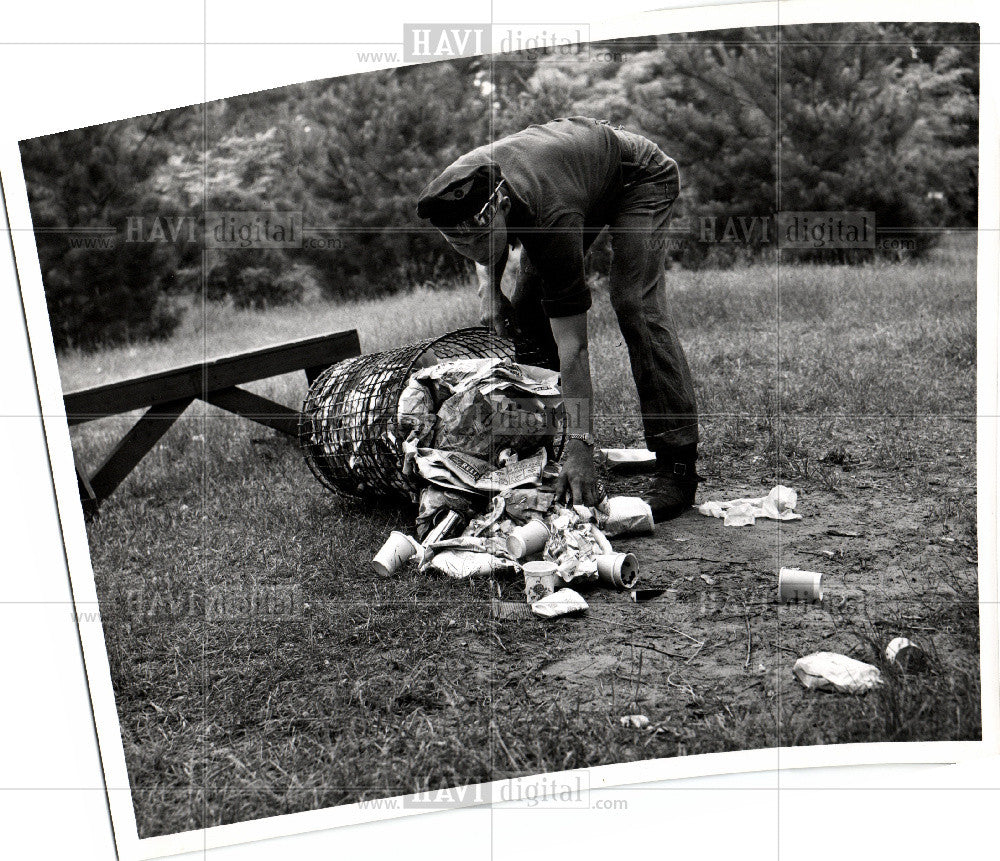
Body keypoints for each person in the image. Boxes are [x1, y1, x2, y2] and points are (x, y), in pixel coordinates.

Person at [416, 116, 700, 521]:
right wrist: (490, 292)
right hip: (573, 177)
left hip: (638, 179)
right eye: (468, 246)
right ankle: (546, 443)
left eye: (486, 241)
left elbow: (575, 345)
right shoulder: (463, 182)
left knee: (635, 304)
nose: (480, 252)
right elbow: (484, 246)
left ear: (503, 206)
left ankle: (678, 466)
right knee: (527, 311)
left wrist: (583, 444)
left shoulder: (550, 215)